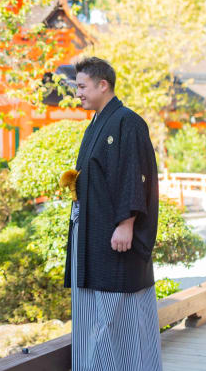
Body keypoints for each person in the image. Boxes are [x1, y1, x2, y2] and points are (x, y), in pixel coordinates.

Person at [65, 57, 162, 371]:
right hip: (93, 232)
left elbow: (135, 174)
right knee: (95, 311)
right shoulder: (97, 122)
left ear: (102, 84)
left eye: (81, 86)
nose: (77, 92)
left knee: (119, 311)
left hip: (115, 234)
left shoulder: (126, 121)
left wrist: (126, 222)